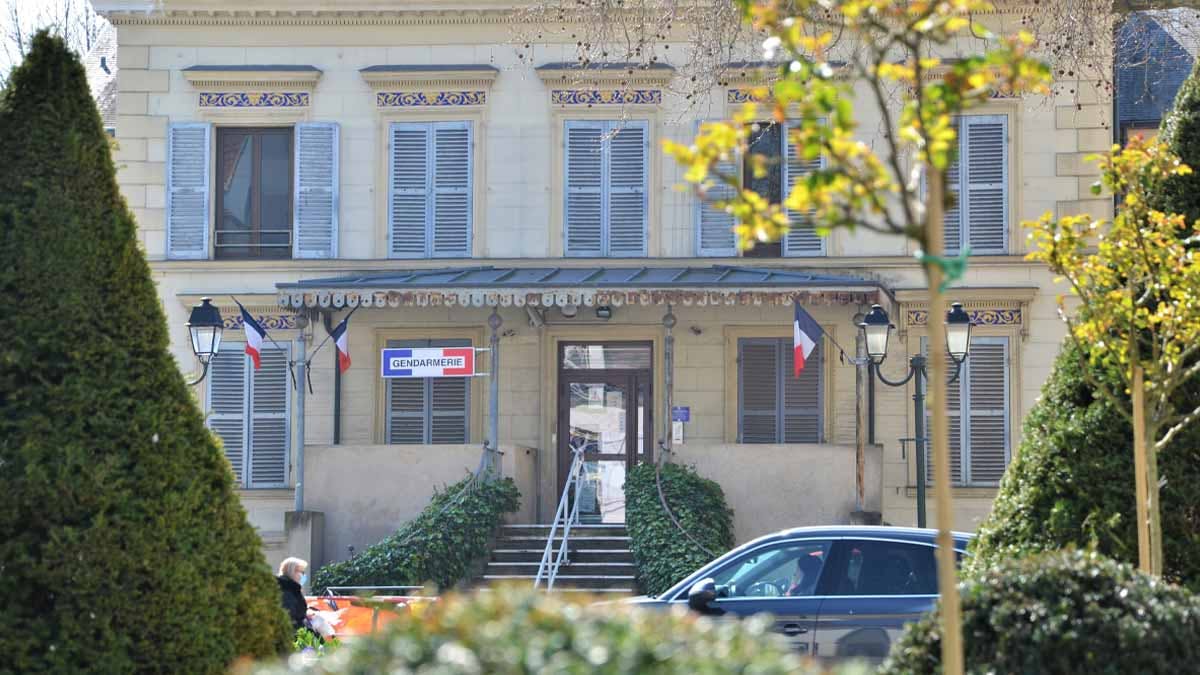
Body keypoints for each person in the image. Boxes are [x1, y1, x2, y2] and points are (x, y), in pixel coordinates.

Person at [277, 557, 311, 630]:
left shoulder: (293, 589)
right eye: (302, 572)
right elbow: (290, 619)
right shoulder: (286, 591)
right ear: (292, 571)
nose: (303, 576)